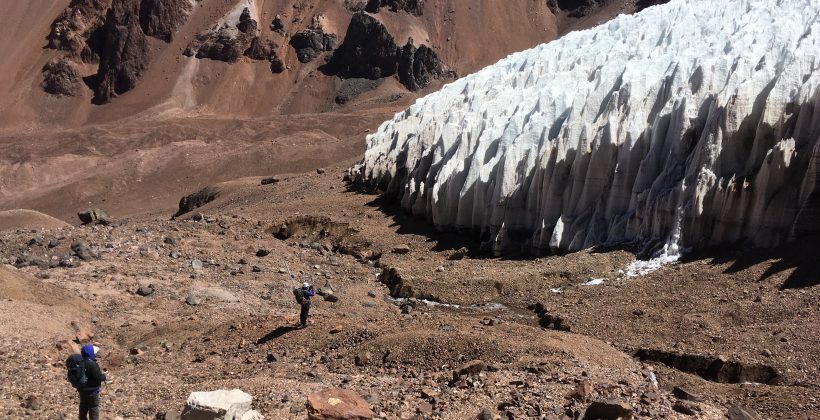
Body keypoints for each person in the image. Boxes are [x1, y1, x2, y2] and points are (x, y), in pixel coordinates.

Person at [77, 344, 106, 420]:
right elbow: (98, 377)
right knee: (93, 408)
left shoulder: (80, 362)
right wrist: (104, 376)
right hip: (92, 391)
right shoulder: (92, 363)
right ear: (90, 353)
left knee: (83, 406)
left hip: (82, 390)